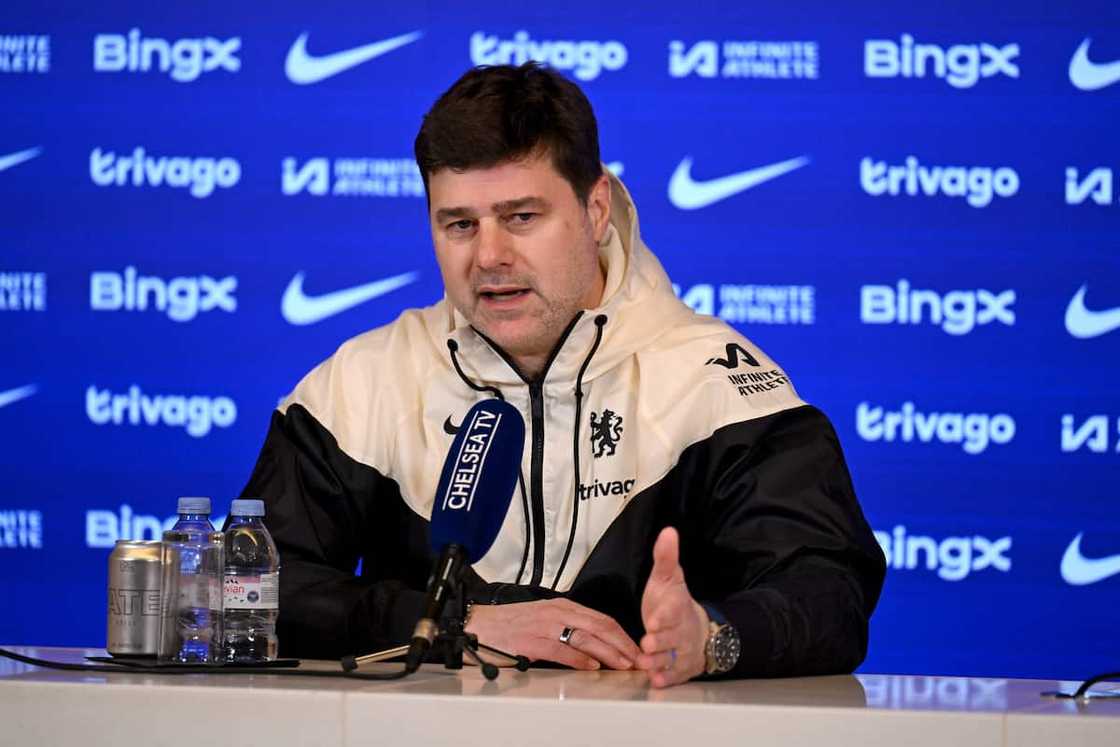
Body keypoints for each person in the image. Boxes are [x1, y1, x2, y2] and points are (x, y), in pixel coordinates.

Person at [241, 62, 885, 687]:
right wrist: (454, 625)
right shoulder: (363, 384)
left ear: (596, 208)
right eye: (459, 224)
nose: (490, 256)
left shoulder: (712, 381)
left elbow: (830, 592)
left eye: (522, 217)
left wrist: (711, 636)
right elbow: (251, 587)